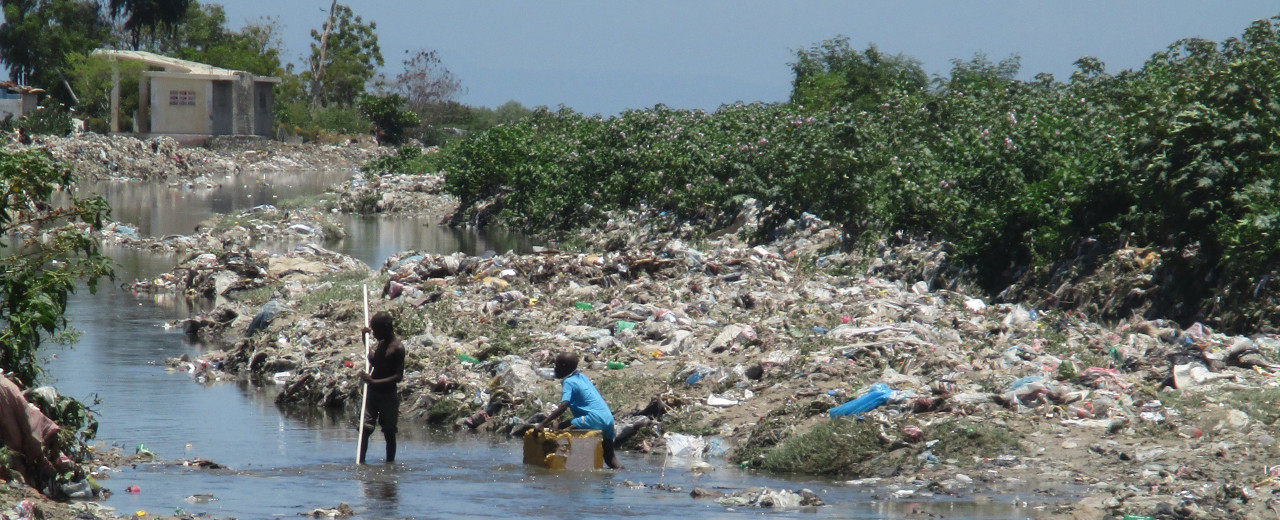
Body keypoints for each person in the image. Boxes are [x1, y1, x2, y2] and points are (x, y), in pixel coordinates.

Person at [536, 352, 624, 469]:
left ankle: (558, 466)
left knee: (560, 429)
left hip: (593, 418)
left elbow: (564, 405)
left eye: (556, 365)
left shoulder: (568, 382)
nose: (554, 368)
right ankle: (624, 476)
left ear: (563, 367)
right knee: (609, 458)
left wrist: (542, 424)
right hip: (608, 419)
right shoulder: (581, 377)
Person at [358, 311, 405, 464]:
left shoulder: (397, 348)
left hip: (388, 396)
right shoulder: (381, 344)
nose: (374, 334)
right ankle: (361, 462)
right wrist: (365, 341)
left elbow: (398, 377)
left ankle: (390, 464)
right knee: (364, 430)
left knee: (389, 433)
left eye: (375, 330)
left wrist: (373, 381)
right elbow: (374, 361)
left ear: (385, 328)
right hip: (372, 395)